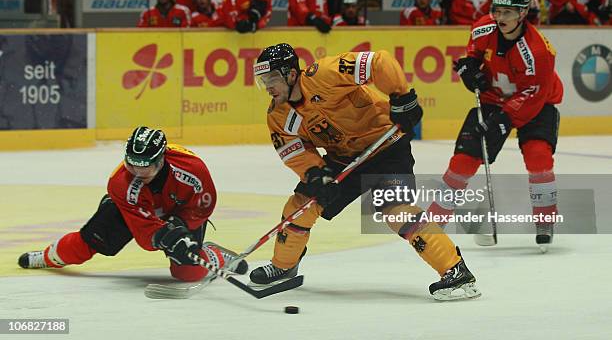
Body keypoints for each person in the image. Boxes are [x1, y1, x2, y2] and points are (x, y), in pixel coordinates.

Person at [248, 43, 481, 301]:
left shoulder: (323, 74)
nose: (267, 87)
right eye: (262, 80)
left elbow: (378, 62)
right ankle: (284, 266)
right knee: (300, 205)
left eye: (271, 79)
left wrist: (401, 96)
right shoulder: (278, 115)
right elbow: (295, 152)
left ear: (291, 74)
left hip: (386, 149)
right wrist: (316, 174)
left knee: (397, 211)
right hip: (343, 159)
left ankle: (456, 271)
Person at [426, 0, 564, 248]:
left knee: (538, 157)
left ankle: (545, 218)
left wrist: (505, 118)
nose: (500, 17)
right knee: (463, 161)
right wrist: (468, 69)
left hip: (537, 103)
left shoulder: (539, 52)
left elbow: (533, 93)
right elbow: (473, 54)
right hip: (493, 98)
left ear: (522, 13)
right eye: (497, 11)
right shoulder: (483, 28)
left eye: (507, 12)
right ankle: (433, 221)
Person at [18, 127, 248, 282]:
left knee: (186, 271)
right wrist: (163, 236)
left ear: (161, 159)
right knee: (90, 241)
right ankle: (47, 257)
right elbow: (145, 235)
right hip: (135, 211)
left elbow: (204, 205)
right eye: (132, 164)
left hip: (181, 211)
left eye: (145, 166)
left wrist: (180, 226)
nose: (138, 172)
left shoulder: (193, 169)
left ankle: (213, 254)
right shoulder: (120, 183)